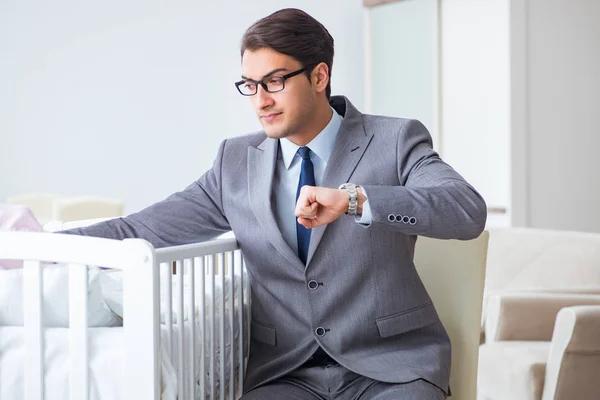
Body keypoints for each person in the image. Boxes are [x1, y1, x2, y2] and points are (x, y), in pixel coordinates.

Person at [63, 8, 486, 399]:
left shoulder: (394, 141)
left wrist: (354, 199)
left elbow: (465, 210)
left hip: (391, 371)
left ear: (319, 77)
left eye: (275, 81)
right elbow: (140, 229)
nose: (260, 100)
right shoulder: (235, 163)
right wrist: (28, 245)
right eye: (250, 85)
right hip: (288, 376)